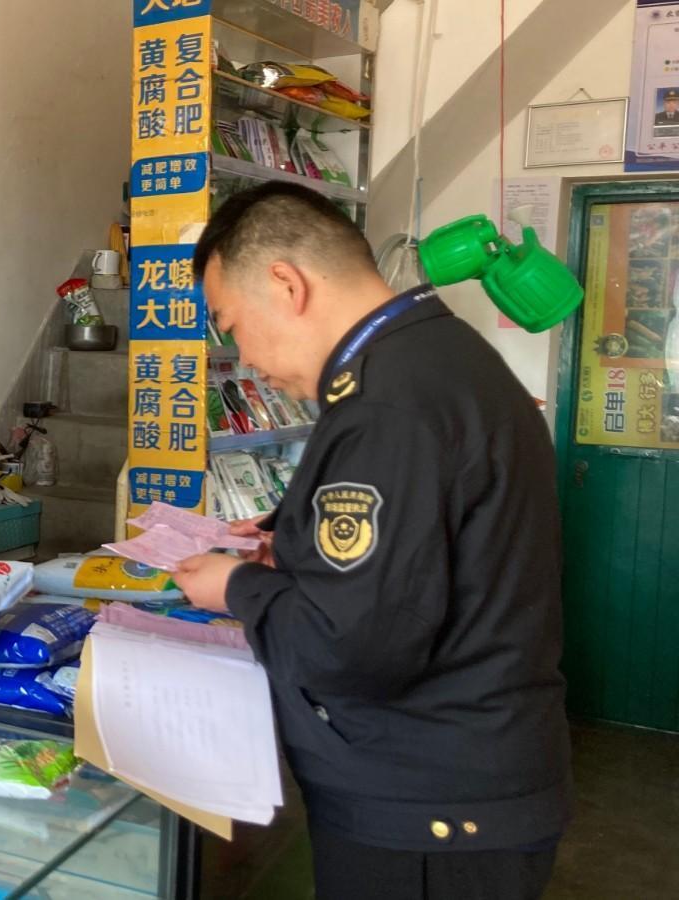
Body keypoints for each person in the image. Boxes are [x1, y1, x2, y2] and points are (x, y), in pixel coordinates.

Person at [172, 182, 570, 900]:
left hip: (429, 809)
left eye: (229, 324)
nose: (244, 357)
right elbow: (429, 537)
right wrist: (294, 540)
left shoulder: (386, 403)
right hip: (464, 778)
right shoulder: (434, 357)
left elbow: (350, 647)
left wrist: (236, 585)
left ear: (286, 284)